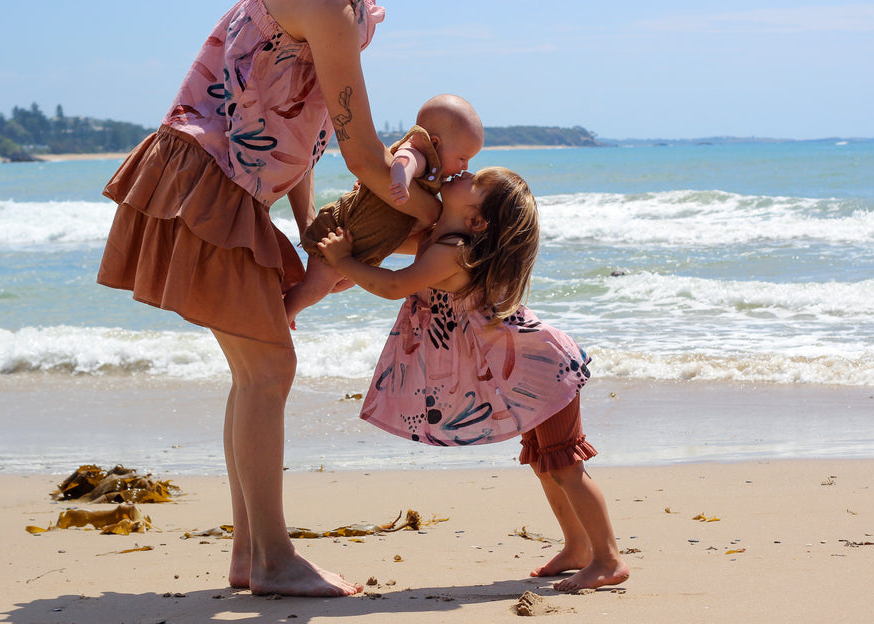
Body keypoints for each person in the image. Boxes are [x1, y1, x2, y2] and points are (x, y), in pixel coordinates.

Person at [97, 0, 439, 597]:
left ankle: (251, 554)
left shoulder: (333, 9)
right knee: (268, 369)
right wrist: (451, 218)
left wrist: (309, 231)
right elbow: (363, 156)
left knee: (256, 371)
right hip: (209, 180)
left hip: (211, 178)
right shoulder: (330, 8)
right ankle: (273, 560)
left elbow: (297, 118)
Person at [316, 167, 631, 591]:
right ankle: (577, 547)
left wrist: (343, 262)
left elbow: (393, 286)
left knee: (564, 464)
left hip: (538, 369)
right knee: (545, 464)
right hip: (516, 372)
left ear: (476, 220)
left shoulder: (454, 251)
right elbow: (389, 238)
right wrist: (368, 201)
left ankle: (609, 559)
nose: (463, 172)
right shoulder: (439, 237)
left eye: (475, 180)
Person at [285, 94, 484, 328]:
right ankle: (284, 314)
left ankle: (287, 295)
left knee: (337, 283)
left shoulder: (435, 173)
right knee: (315, 288)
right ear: (436, 143)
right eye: (462, 158)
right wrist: (401, 179)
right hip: (341, 235)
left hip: (364, 248)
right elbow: (405, 159)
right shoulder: (423, 155)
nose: (465, 167)